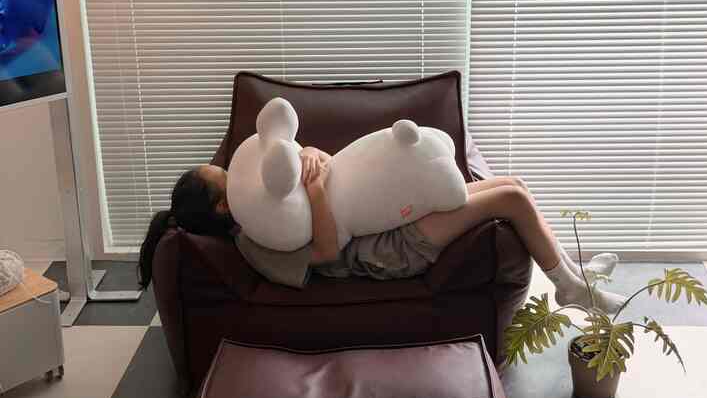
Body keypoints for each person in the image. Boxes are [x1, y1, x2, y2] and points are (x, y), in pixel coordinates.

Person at [138, 147, 625, 313]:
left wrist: (311, 157)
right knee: (510, 200)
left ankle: (573, 271)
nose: (235, 170)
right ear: (224, 205)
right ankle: (569, 289)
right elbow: (326, 252)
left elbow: (332, 175)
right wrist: (317, 191)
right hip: (384, 250)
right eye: (226, 175)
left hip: (386, 217)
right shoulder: (255, 242)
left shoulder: (266, 195)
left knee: (513, 184)